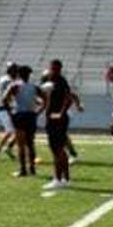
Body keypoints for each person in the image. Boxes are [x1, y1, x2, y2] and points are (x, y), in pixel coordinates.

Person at [2, 64, 45, 178]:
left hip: (19, 115)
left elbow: (4, 99)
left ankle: (23, 170)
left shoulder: (14, 86)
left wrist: (10, 113)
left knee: (21, 145)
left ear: (19, 74)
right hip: (31, 115)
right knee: (30, 144)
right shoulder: (34, 86)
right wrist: (38, 112)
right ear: (29, 75)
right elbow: (45, 100)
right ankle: (32, 169)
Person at [39, 60, 73, 190]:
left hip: (57, 120)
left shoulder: (60, 81)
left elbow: (68, 98)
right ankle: (66, 178)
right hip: (52, 119)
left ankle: (57, 179)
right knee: (59, 149)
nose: (54, 71)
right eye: (52, 68)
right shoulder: (51, 81)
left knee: (56, 150)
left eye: (56, 68)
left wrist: (60, 113)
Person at [0, 62, 18, 160]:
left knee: (14, 130)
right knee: (12, 130)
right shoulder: (7, 80)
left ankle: (5, 149)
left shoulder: (5, 79)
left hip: (6, 107)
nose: (16, 72)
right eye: (14, 70)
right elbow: (8, 95)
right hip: (4, 108)